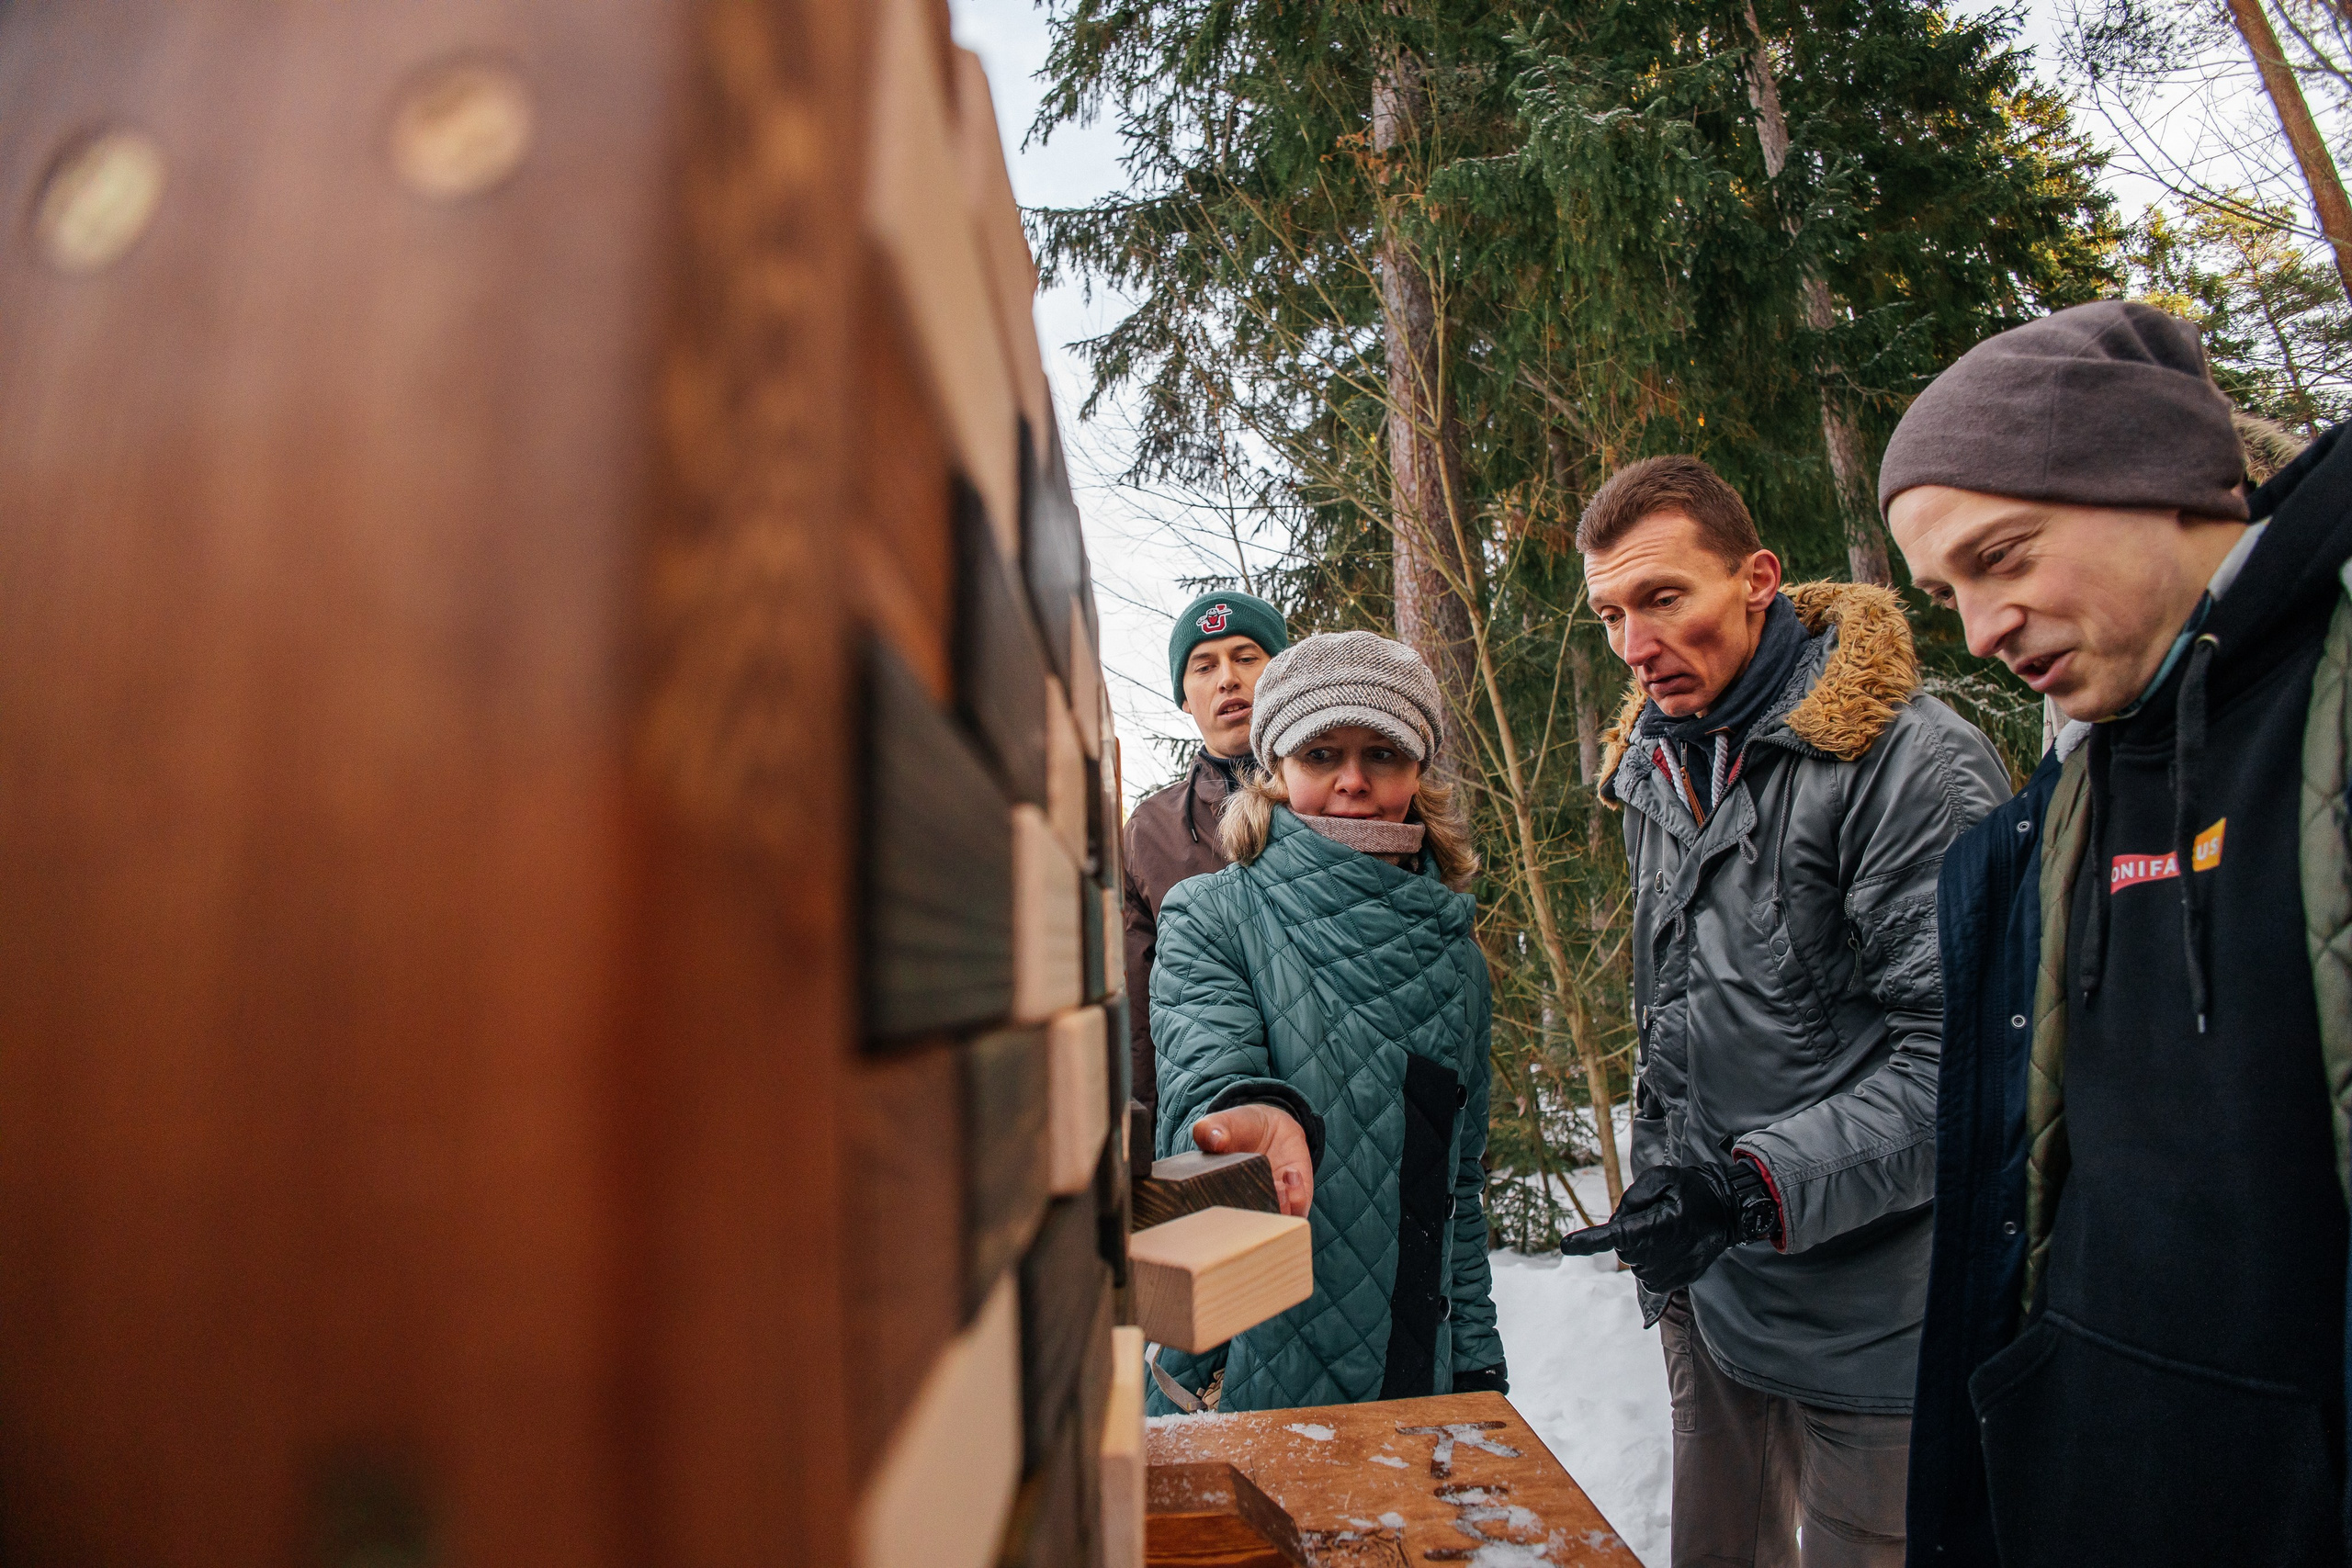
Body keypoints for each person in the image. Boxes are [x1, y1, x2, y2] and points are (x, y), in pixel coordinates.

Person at [1886, 299, 2352, 1567]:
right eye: (1947, 591)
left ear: (2150, 478)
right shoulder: (2048, 823)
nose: (1979, 631)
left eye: (2004, 555)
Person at [1560, 456, 2008, 1568]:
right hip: (1711, 1286)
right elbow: (1673, 1013)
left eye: (1663, 599)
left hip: (1880, 1315)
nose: (1632, 643)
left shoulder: (1911, 764)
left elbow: (1958, 1066)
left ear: (1756, 579)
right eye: (1610, 612)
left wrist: (1747, 1187)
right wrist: (1672, 1204)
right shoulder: (1654, 769)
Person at [1142, 630, 1505, 1414]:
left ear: (1419, 768)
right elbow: (1205, 1077)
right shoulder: (1213, 915)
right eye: (1320, 754)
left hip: (1416, 1377)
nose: (1352, 781)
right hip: (1242, 1377)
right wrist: (1254, 1118)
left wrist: (1476, 1371)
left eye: (1382, 753)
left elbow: (1459, 1194)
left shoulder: (1458, 955)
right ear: (1275, 768)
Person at [1122, 590, 1288, 1123]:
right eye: (1204, 665)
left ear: (1281, 674)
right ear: (1185, 696)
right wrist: (1145, 1151)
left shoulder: (1345, 797)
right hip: (1209, 1121)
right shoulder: (1150, 833)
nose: (1227, 679)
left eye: (1246, 658)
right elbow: (1138, 1013)